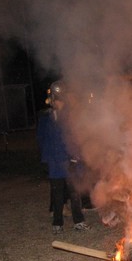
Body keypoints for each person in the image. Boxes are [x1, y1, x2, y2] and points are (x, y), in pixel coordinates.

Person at [37, 81, 90, 234]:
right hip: (54, 163)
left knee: (74, 194)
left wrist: (75, 158)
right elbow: (42, 140)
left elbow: (77, 139)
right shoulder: (45, 118)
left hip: (70, 161)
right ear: (51, 100)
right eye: (55, 99)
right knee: (57, 195)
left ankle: (78, 222)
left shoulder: (71, 118)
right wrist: (45, 160)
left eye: (60, 99)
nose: (57, 102)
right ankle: (57, 223)